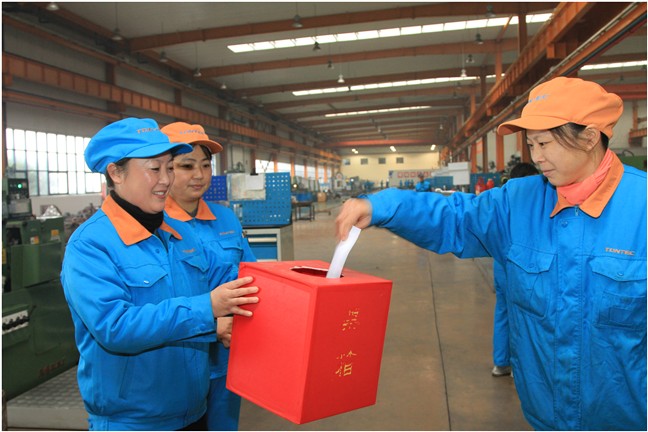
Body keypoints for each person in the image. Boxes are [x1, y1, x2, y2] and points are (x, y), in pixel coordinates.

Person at [335, 77, 646, 431]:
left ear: (589, 138)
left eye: (545, 143)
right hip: (545, 416)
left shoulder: (641, 207)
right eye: (531, 144)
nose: (536, 157)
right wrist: (383, 206)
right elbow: (455, 218)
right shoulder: (518, 202)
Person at [60, 117, 259, 431]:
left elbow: (228, 287)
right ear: (116, 173)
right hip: (133, 421)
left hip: (194, 410)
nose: (166, 180)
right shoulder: (90, 245)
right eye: (155, 168)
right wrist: (208, 309)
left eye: (169, 167)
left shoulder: (180, 234)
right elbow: (115, 326)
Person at [161, 122, 256, 431]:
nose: (200, 175)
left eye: (205, 165)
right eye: (187, 166)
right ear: (164, 169)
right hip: (181, 357)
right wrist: (211, 324)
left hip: (229, 356)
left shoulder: (225, 218)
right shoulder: (154, 226)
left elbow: (251, 276)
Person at [490, 162, 539, 377]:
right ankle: (519, 366)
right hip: (521, 266)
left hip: (501, 264)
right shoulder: (534, 204)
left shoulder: (503, 200)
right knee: (525, 316)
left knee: (503, 311)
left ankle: (501, 363)